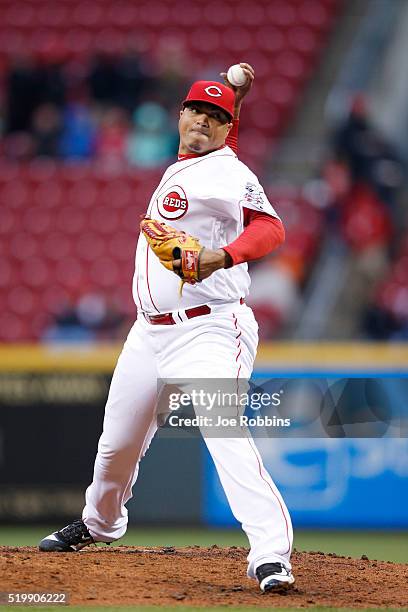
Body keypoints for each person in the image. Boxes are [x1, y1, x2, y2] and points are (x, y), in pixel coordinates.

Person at [39, 64, 295, 593]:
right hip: (149, 333)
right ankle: (100, 522)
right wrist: (234, 97)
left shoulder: (229, 172)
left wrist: (224, 255)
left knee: (223, 430)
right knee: (115, 446)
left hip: (210, 329)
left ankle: (271, 555)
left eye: (217, 116)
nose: (203, 120)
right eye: (196, 110)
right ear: (179, 115)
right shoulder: (187, 165)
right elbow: (215, 135)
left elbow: (271, 228)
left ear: (228, 130)